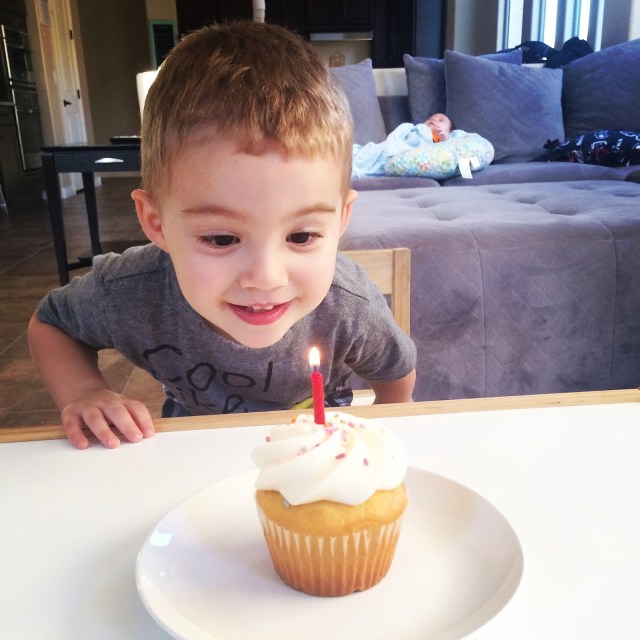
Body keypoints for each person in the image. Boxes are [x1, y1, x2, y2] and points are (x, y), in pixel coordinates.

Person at [27, 22, 417, 450]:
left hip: (317, 453)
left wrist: (383, 442)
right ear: (157, 223)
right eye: (221, 239)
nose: (266, 277)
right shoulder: (132, 290)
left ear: (341, 219)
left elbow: (396, 377)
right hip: (194, 453)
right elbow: (52, 324)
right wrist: (84, 392)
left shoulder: (350, 307)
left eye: (302, 236)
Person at [352, 113, 456, 178]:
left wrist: (445, 138)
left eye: (441, 120)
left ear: (449, 130)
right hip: (392, 149)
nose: (434, 120)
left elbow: (443, 153)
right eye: (431, 118)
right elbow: (393, 138)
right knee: (365, 154)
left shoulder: (441, 141)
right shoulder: (413, 128)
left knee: (376, 169)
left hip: (407, 159)